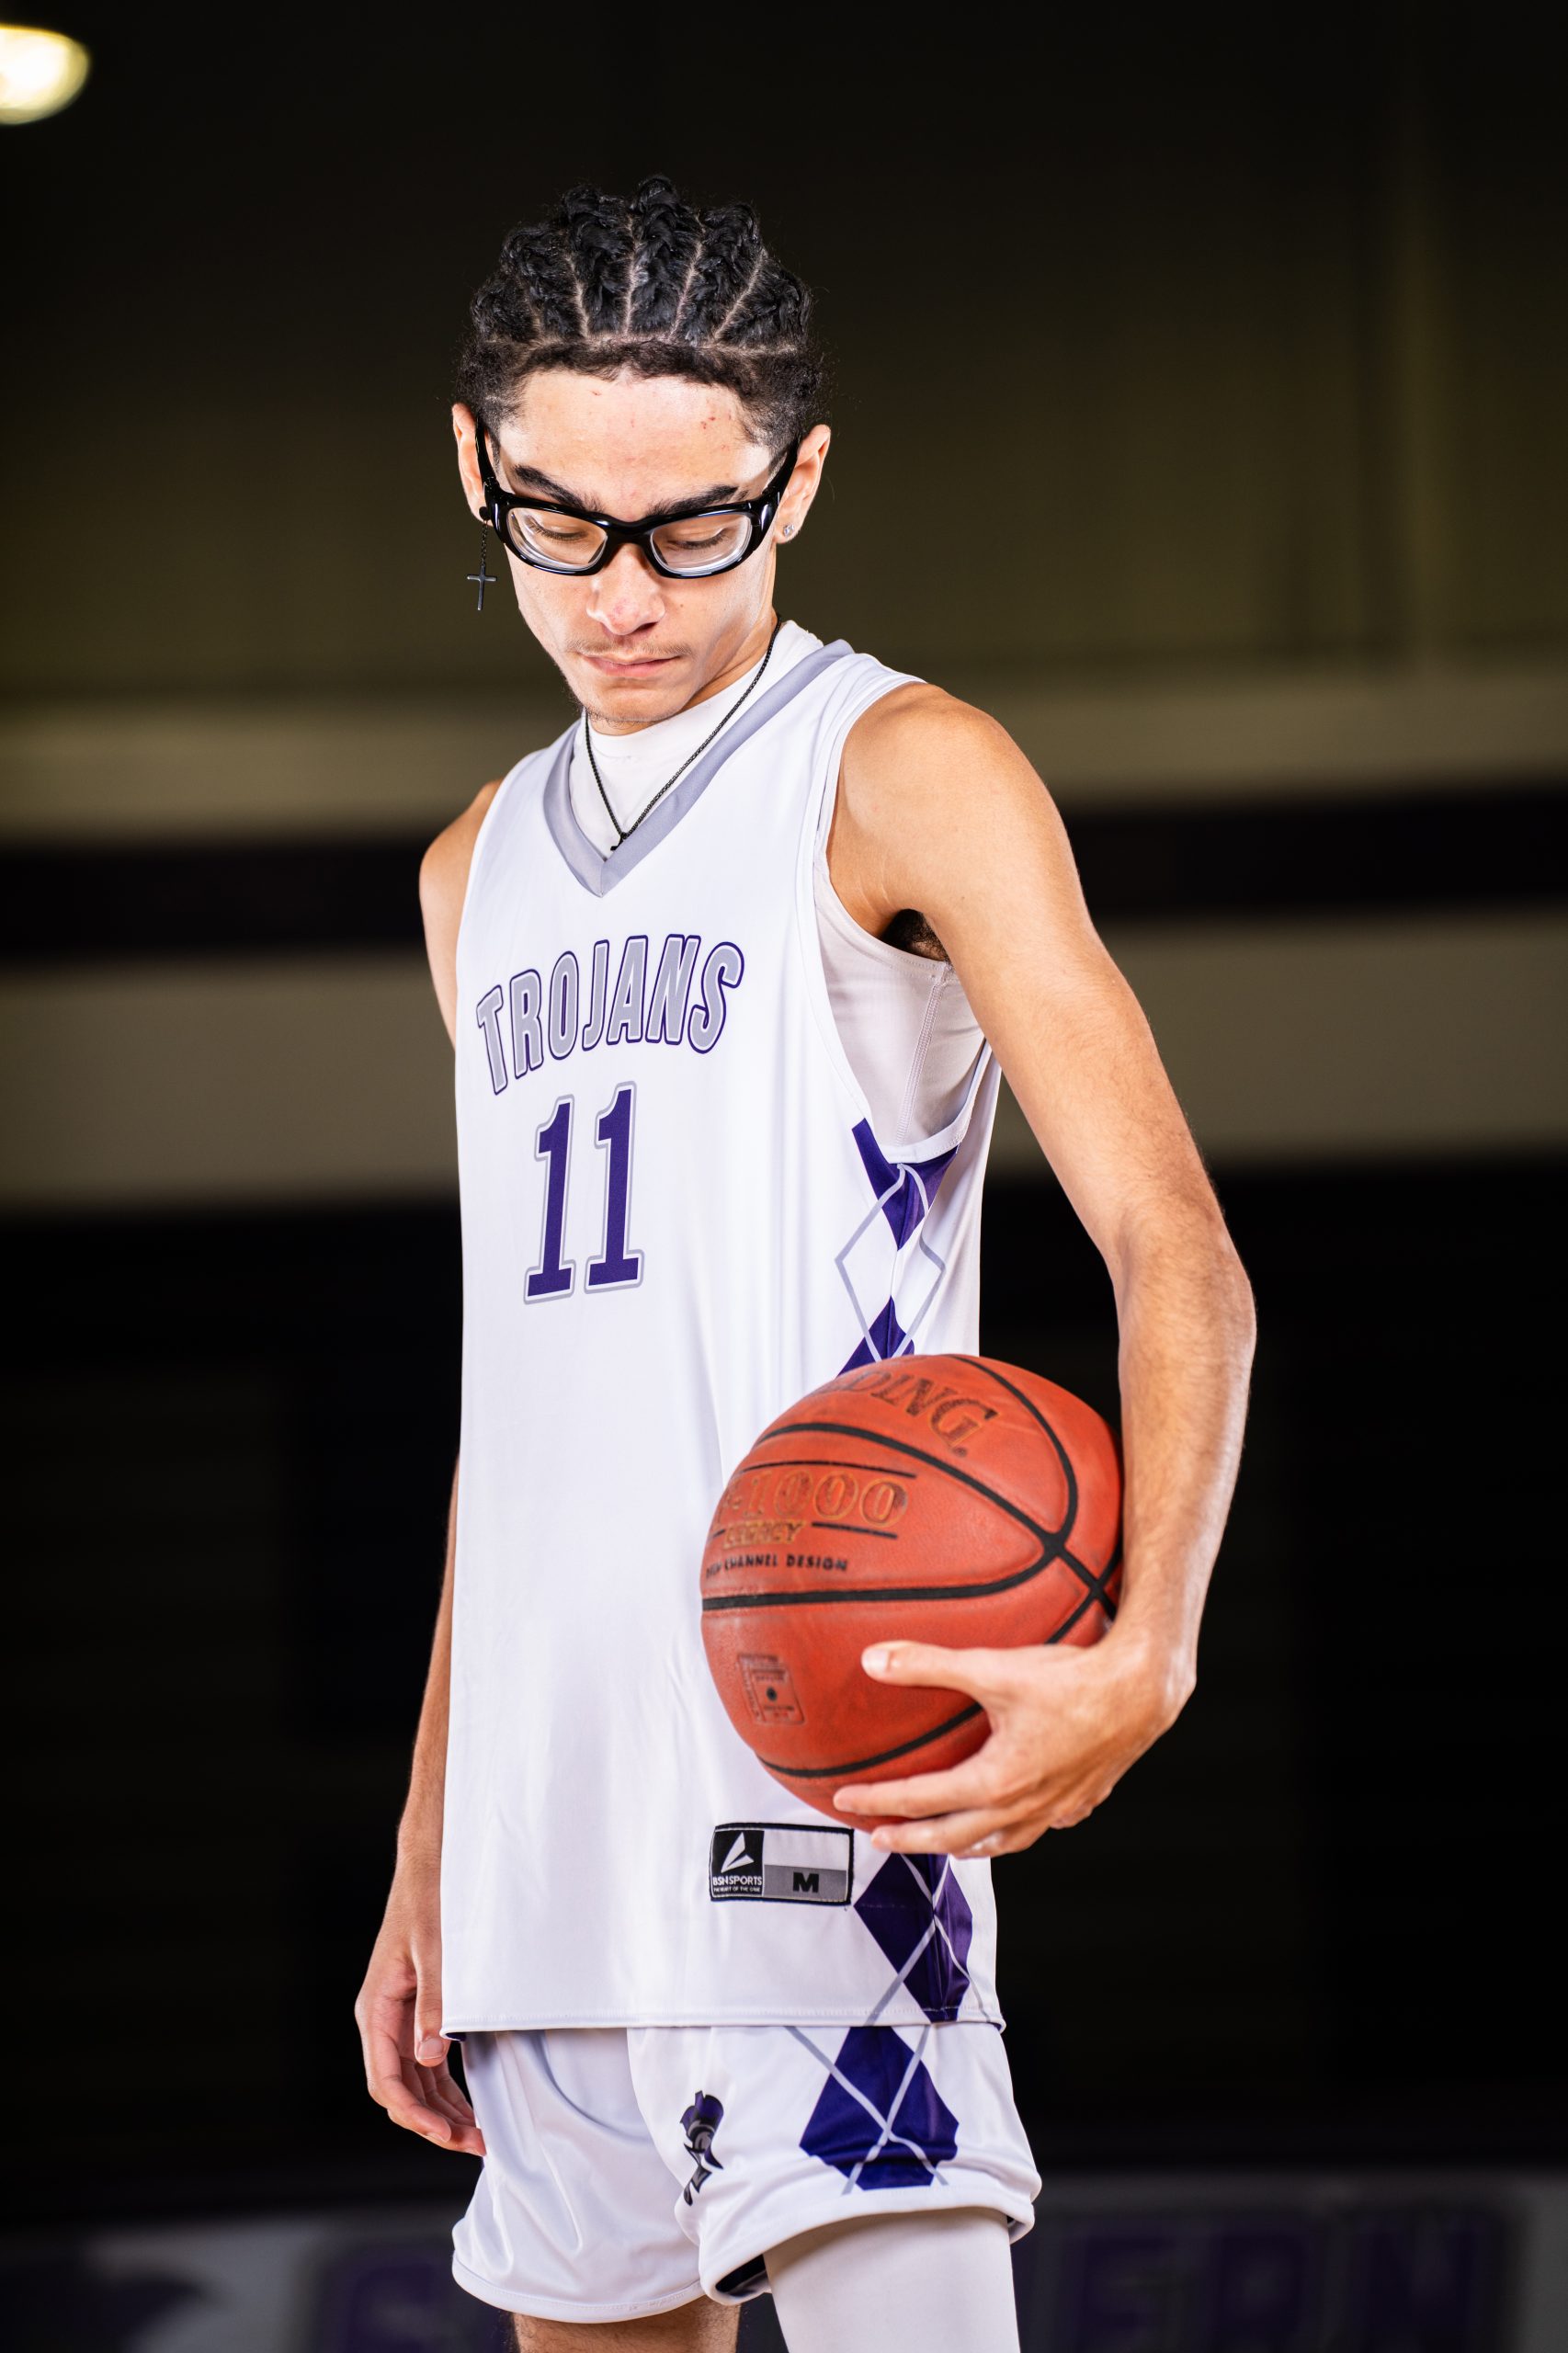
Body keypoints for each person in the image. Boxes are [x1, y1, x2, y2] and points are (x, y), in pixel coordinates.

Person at [354, 176, 1256, 2352]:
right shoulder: (473, 872)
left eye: (695, 527)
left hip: (812, 1786)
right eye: (560, 524)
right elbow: (521, 1415)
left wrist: (1151, 1644)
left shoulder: (897, 766)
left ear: (803, 478)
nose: (623, 593)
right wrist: (426, 1846)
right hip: (543, 1831)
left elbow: (1175, 1245)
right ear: (475, 466)